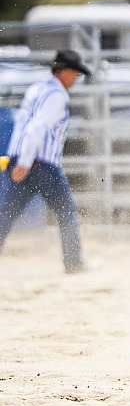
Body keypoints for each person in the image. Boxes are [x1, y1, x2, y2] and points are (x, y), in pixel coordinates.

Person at [0, 50, 91, 274]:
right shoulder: (57, 96)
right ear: (66, 72)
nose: (76, 78)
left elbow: (25, 125)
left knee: (6, 214)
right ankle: (74, 262)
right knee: (66, 210)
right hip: (40, 163)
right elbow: (36, 128)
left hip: (21, 159)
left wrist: (19, 161)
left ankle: (74, 262)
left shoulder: (35, 89)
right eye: (75, 73)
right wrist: (25, 162)